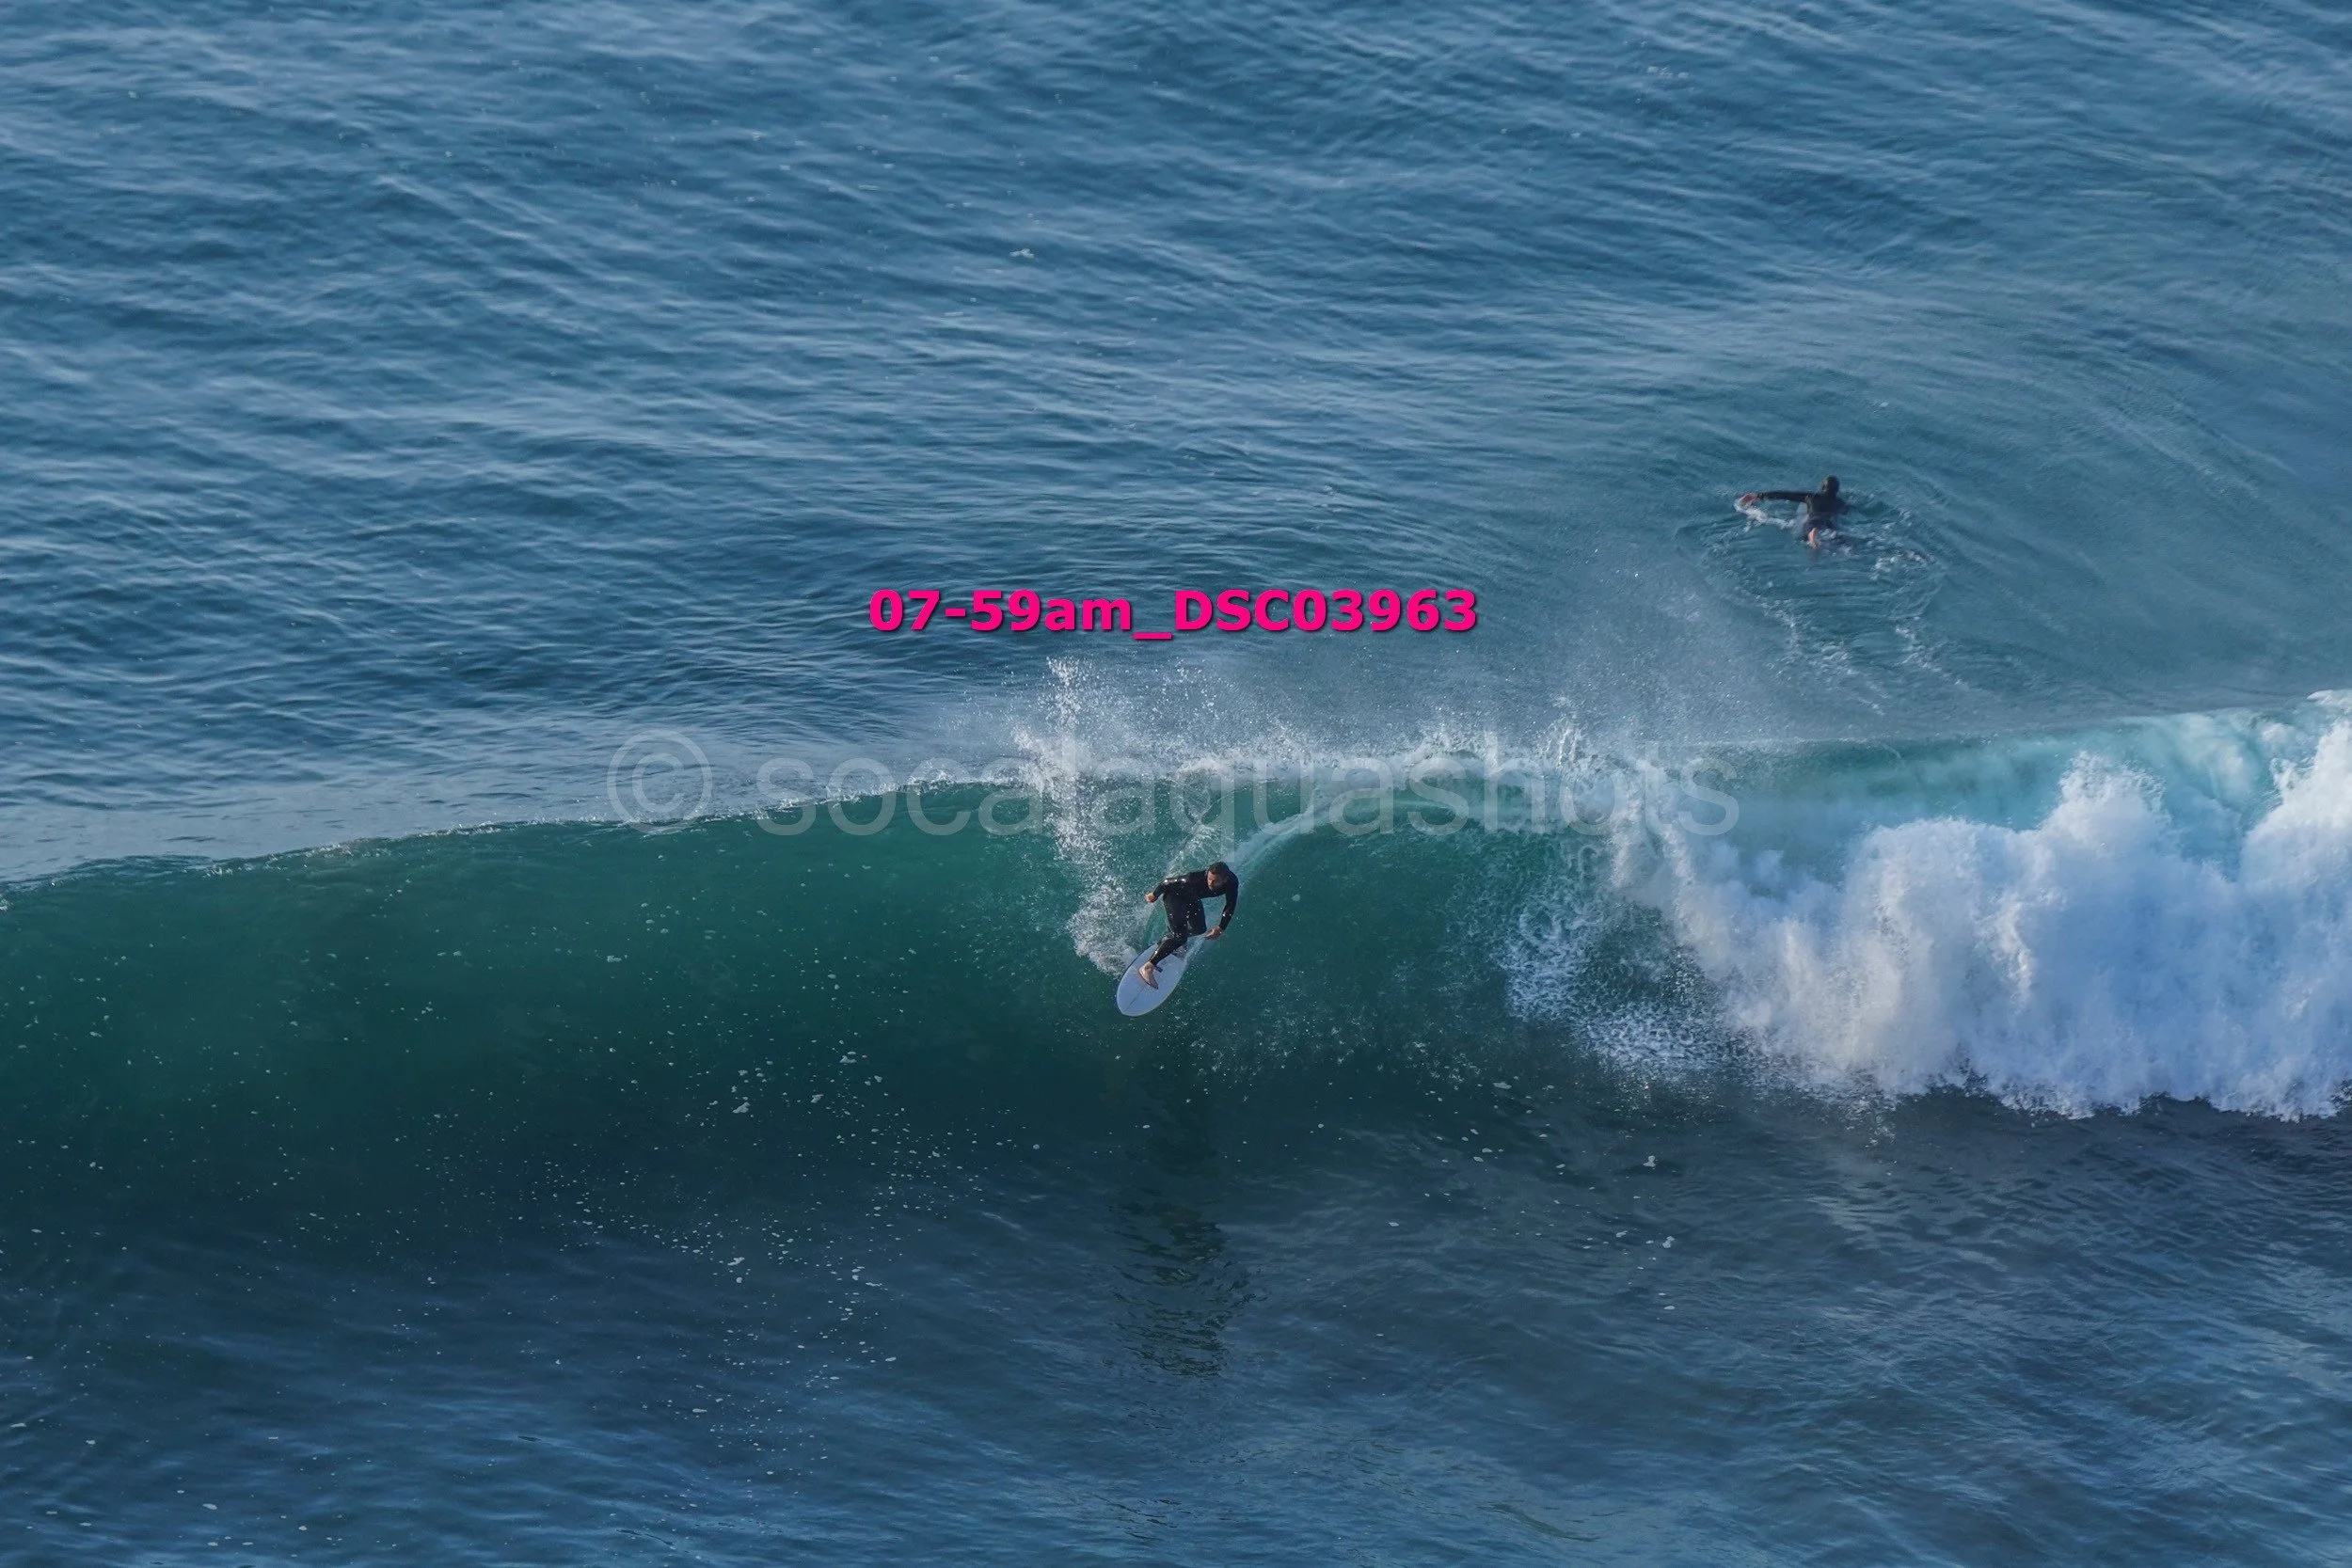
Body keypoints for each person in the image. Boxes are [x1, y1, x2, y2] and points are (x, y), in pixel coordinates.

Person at [1138, 862, 1239, 987]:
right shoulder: (1192, 878)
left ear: (1225, 879)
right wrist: (1154, 894)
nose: (1210, 884)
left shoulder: (1232, 882)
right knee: (1180, 937)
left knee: (1199, 929)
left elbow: (1230, 904)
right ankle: (1148, 967)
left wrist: (1221, 927)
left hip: (1192, 899)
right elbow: (1167, 882)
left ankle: (1171, 938)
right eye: (1209, 879)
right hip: (1174, 897)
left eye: (1215, 881)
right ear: (1207, 874)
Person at [1739, 475, 1847, 548]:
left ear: (1822, 487)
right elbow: (1845, 512)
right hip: (1830, 524)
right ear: (1837, 490)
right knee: (1835, 538)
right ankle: (1815, 536)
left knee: (1813, 526)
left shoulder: (1811, 497)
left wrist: (1759, 495)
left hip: (1813, 520)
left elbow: (1787, 495)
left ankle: (1813, 537)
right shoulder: (1841, 503)